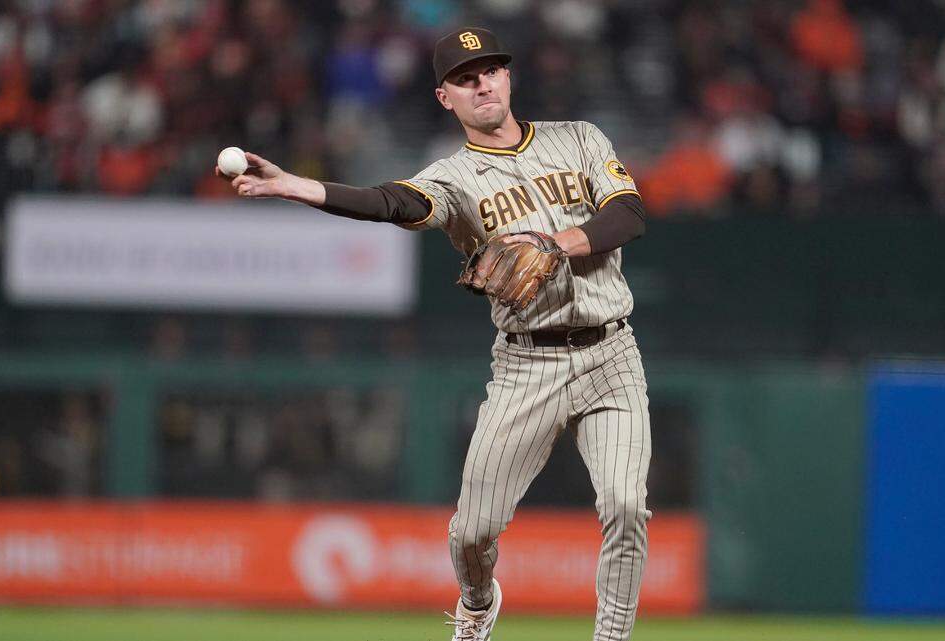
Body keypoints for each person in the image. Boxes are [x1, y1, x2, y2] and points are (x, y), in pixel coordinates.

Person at [223, 27, 652, 641]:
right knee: (473, 531)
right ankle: (478, 600)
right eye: (465, 77)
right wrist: (295, 186)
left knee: (626, 505)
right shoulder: (454, 177)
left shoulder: (581, 140)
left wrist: (553, 245)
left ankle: (612, 636)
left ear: (509, 78)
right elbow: (388, 202)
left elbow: (629, 214)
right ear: (444, 97)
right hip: (526, 365)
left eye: (492, 70)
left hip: (610, 353)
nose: (482, 82)